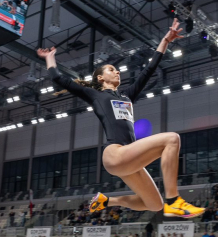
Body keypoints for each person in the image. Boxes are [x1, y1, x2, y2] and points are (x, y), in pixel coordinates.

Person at [39, 18, 204, 219]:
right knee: (172, 139)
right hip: (115, 154)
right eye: (111, 69)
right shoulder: (95, 94)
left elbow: (148, 70)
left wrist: (165, 41)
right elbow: (58, 78)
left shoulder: (126, 96)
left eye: (117, 69)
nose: (117, 71)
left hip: (129, 158)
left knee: (153, 204)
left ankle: (107, 201)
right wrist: (50, 58)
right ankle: (174, 200)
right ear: (100, 78)